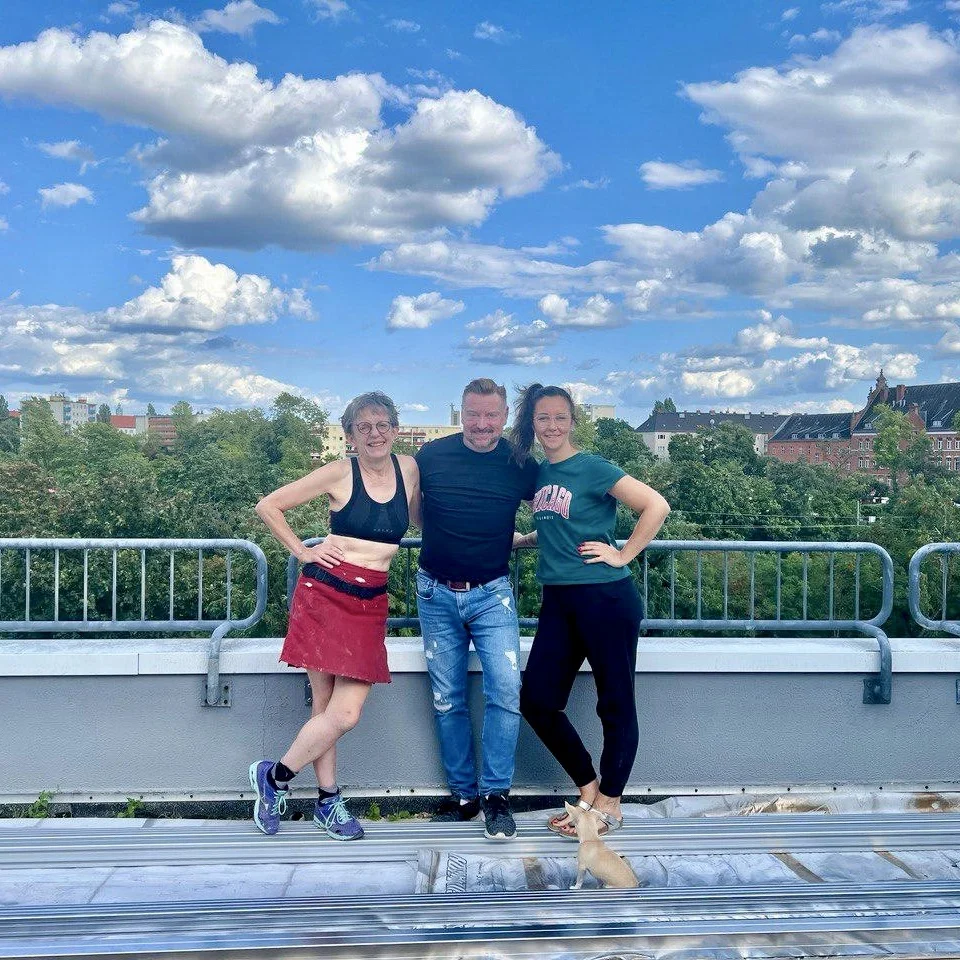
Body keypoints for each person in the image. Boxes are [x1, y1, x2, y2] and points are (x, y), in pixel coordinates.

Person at [249, 391, 419, 839]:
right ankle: (328, 801)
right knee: (327, 709)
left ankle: (274, 777)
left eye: (382, 425)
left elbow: (423, 519)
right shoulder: (339, 472)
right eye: (363, 427)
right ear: (350, 437)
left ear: (395, 429)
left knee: (342, 714)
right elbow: (268, 506)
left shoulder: (409, 469)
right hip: (325, 594)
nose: (375, 434)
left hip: (371, 601)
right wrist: (303, 551)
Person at [511, 384, 670, 838]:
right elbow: (561, 524)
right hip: (559, 601)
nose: (552, 426)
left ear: (572, 421)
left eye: (560, 417)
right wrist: (526, 540)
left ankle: (611, 805)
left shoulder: (593, 466)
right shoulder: (541, 473)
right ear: (532, 423)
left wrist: (622, 554)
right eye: (543, 418)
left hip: (605, 598)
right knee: (537, 700)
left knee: (614, 703)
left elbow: (656, 505)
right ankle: (589, 788)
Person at [414, 378, 538, 840]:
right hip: (434, 593)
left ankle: (496, 797)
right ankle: (464, 798)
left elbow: (555, 510)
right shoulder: (431, 456)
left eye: (491, 415)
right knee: (448, 699)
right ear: (460, 413)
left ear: (504, 417)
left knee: (506, 691)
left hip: (492, 594)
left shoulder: (520, 463)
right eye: (473, 414)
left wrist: (524, 539)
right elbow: (415, 513)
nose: (482, 424)